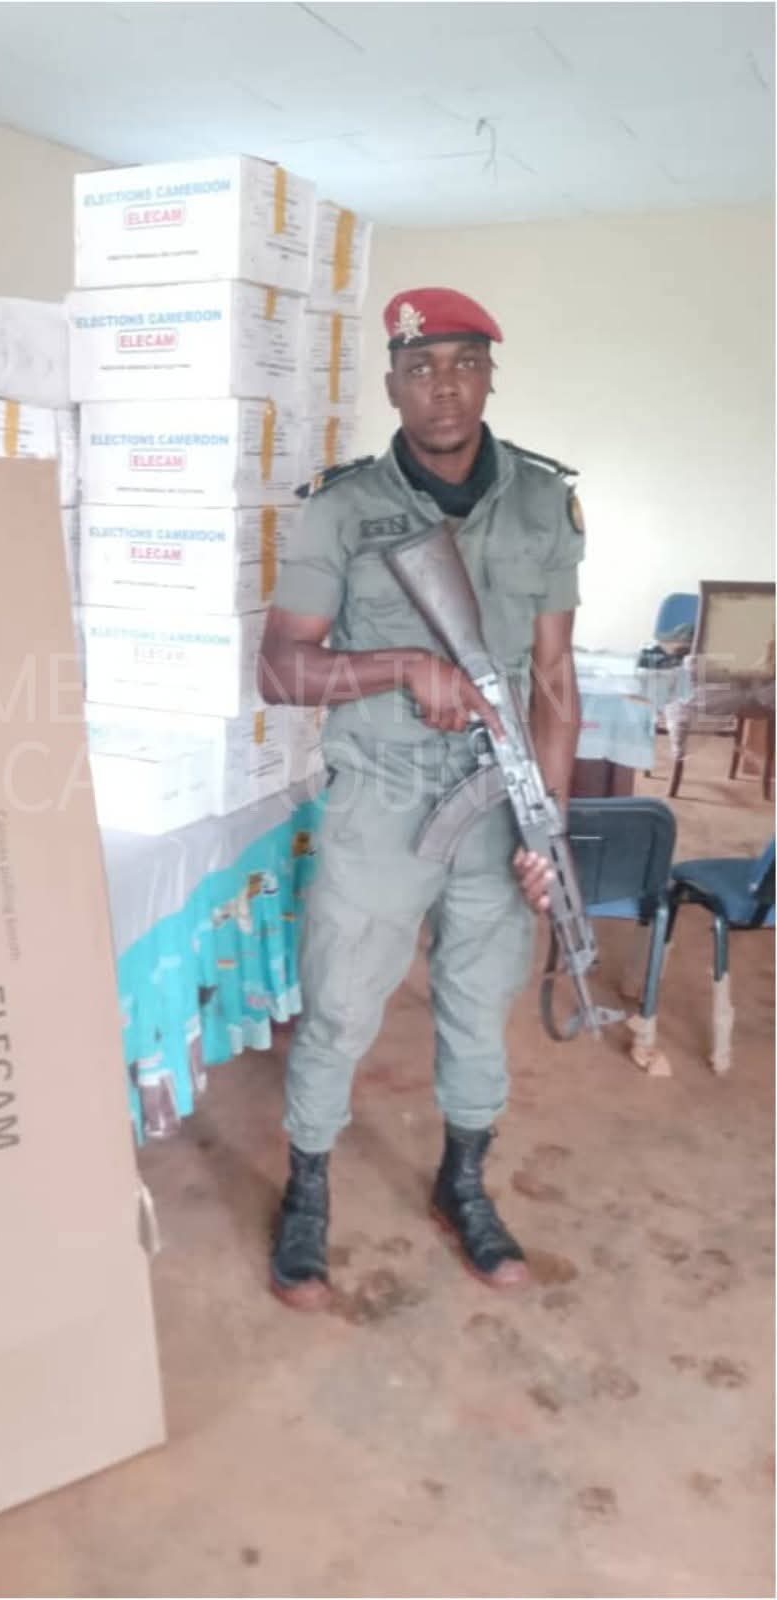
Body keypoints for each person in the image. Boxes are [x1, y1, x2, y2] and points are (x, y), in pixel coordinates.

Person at [258, 286, 584, 1308]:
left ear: (489, 376)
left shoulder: (543, 501)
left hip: (497, 802)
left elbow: (554, 677)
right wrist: (401, 665)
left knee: (478, 1009)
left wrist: (546, 824)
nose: (442, 387)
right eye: (418, 368)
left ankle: (462, 1183)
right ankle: (307, 1187)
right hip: (381, 802)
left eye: (461, 364)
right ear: (392, 385)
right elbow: (280, 669)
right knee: (340, 1008)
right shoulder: (342, 509)